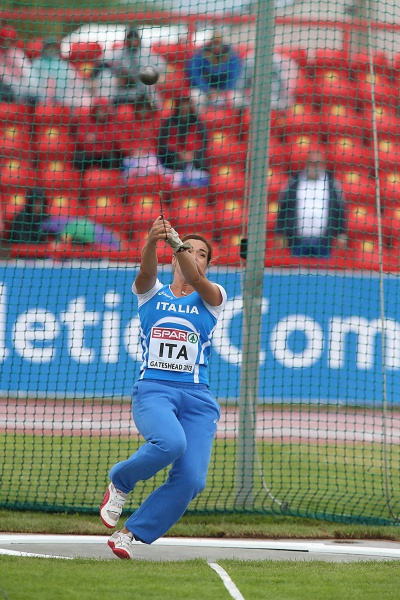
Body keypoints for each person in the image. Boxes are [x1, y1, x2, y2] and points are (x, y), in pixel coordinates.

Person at [99, 217, 227, 559]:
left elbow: (196, 279)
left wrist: (177, 242)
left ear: (207, 264)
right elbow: (145, 273)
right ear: (172, 259)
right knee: (171, 443)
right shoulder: (151, 293)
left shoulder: (213, 297)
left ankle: (129, 534)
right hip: (154, 389)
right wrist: (151, 241)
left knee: (192, 480)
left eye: (202, 254)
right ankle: (120, 481)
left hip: (198, 398)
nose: (194, 256)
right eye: (189, 250)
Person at [276, 151, 347, 257]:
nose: (314, 166)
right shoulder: (294, 182)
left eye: (317, 163)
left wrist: (341, 233)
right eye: (312, 163)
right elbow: (284, 208)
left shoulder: (332, 184)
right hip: (297, 241)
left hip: (323, 242)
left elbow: (340, 210)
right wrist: (280, 232)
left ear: (323, 164)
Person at [103, 27, 166, 110]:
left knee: (154, 106)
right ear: (126, 40)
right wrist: (117, 78)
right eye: (130, 38)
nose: (133, 41)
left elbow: (162, 67)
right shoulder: (117, 54)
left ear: (139, 40)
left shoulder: (147, 55)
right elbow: (102, 64)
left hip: (145, 95)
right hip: (123, 94)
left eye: (135, 38)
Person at [185, 31, 244, 112]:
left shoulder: (231, 55)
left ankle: (234, 120)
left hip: (224, 91)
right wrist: (207, 90)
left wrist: (223, 91)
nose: (216, 46)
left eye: (218, 43)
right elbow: (194, 75)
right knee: (195, 97)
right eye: (215, 43)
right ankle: (199, 120)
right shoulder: (200, 54)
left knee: (237, 99)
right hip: (204, 91)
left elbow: (235, 76)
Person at [73, 98, 126, 171]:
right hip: (90, 153)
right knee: (79, 158)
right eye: (98, 110)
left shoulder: (111, 123)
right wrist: (98, 140)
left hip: (105, 154)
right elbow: (81, 138)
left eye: (102, 110)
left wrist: (96, 137)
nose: (100, 113)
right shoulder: (87, 121)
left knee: (113, 158)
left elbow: (113, 139)